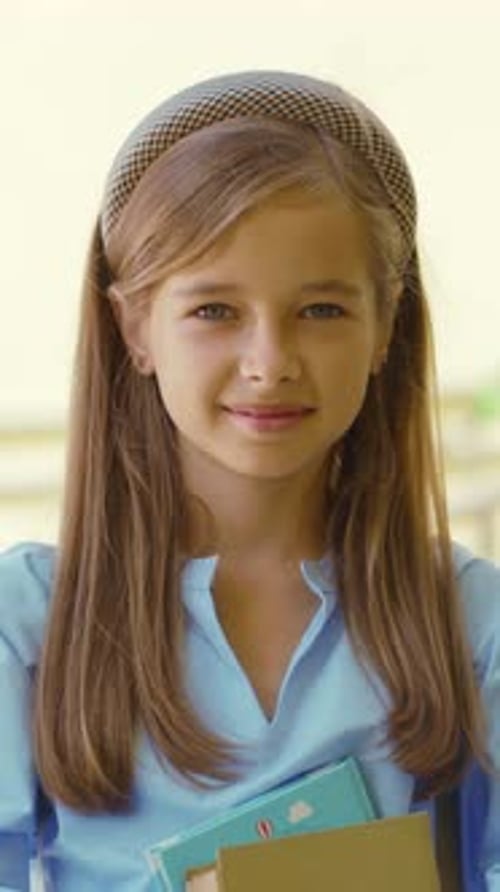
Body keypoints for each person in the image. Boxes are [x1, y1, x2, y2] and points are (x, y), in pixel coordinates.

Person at [0, 70, 498, 892]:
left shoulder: (469, 623)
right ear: (135, 328)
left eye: (323, 311)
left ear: (385, 327)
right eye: (215, 311)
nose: (270, 364)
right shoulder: (30, 623)